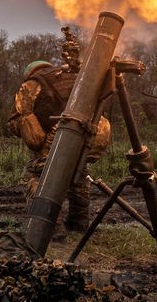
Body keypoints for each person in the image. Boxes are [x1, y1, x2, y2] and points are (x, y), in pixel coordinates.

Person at [6, 52, 112, 238]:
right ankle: (79, 224)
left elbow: (20, 119)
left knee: (36, 175)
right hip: (88, 133)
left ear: (30, 72)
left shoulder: (32, 84)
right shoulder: (74, 78)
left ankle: (51, 225)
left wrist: (28, 135)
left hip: (59, 133)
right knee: (78, 173)